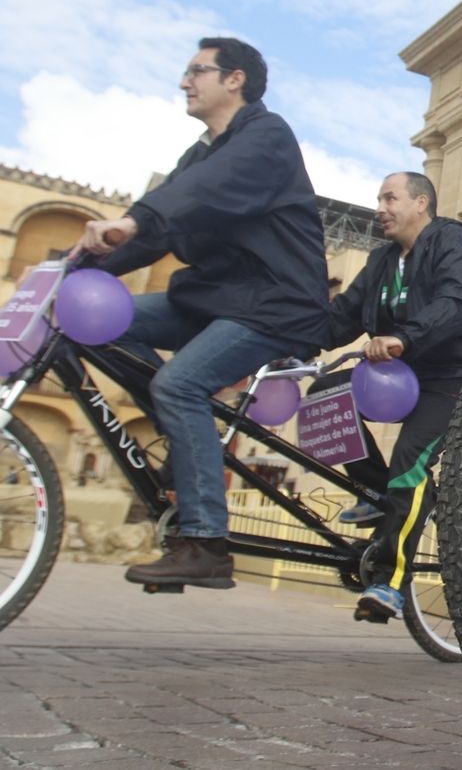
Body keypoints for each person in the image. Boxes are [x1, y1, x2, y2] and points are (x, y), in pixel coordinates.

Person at [76, 38, 330, 589]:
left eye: (197, 70)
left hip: (274, 300)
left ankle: (206, 542)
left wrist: (137, 218)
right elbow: (161, 225)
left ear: (234, 79)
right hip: (213, 299)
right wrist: (76, 273)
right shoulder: (199, 153)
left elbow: (196, 194)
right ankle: (182, 428)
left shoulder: (266, 136)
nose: (184, 81)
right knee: (88, 322)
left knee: (179, 384)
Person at [326, 172, 462, 622]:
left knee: (410, 458)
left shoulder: (453, 242)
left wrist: (404, 337)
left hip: (459, 374)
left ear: (421, 203)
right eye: (379, 199)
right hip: (404, 372)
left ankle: (388, 583)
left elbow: (458, 301)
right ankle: (375, 489)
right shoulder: (383, 260)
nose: (380, 208)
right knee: (325, 393)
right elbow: (341, 317)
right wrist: (278, 342)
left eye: (390, 198)